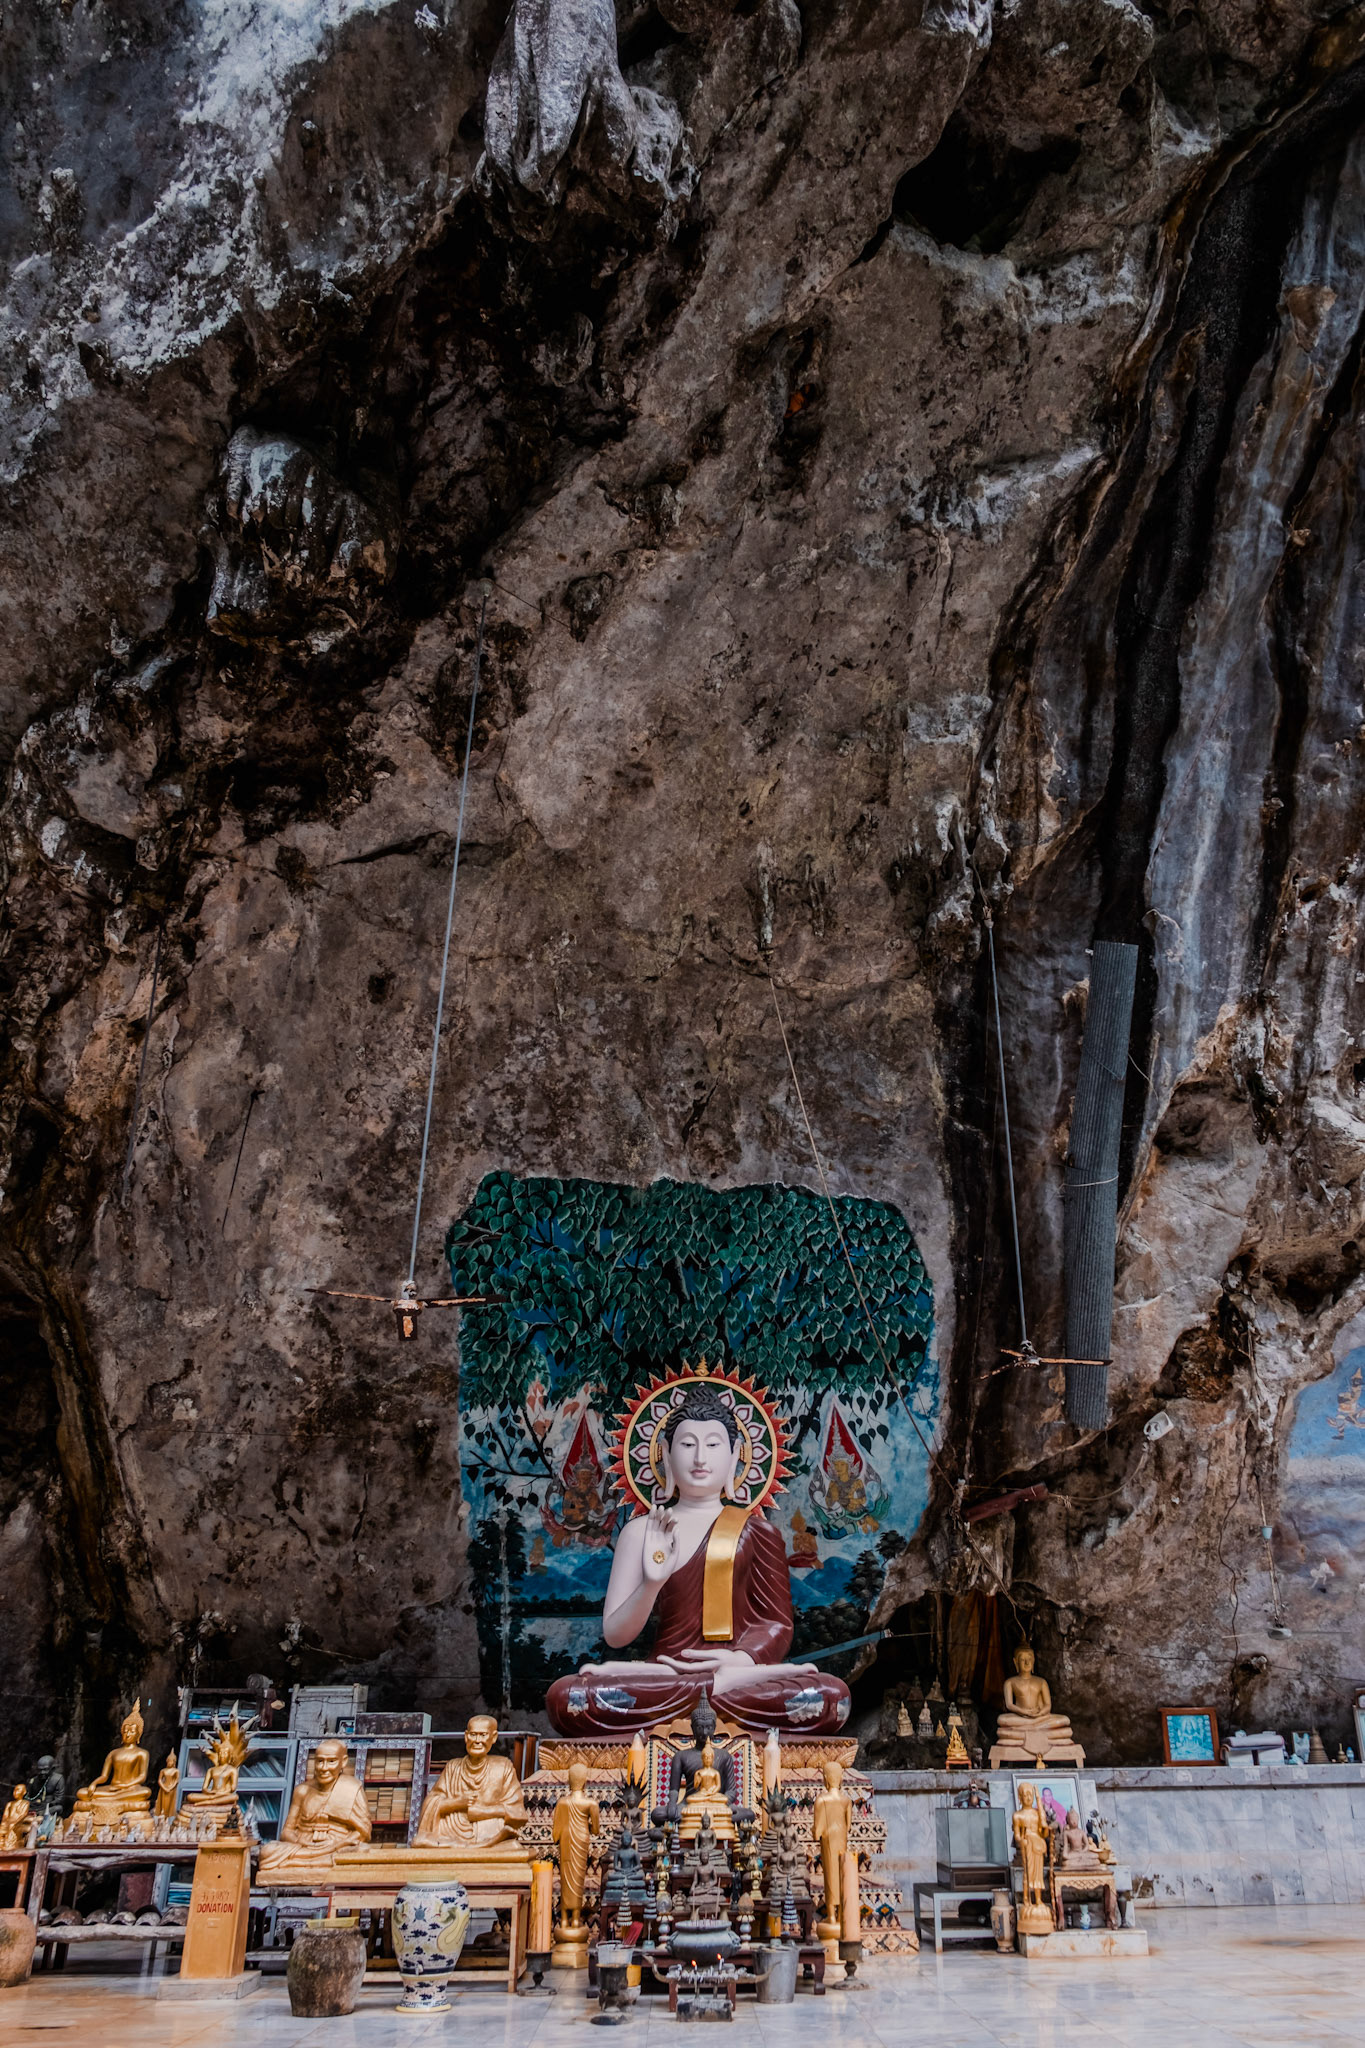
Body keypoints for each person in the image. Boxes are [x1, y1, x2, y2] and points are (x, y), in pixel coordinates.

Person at [546, 1383, 849, 1734]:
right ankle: (711, 1689)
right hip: (666, 1676)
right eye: (688, 1445)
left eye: (713, 1445)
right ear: (665, 1453)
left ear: (735, 1456)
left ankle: (718, 1686)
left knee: (828, 1695)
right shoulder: (640, 1532)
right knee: (569, 1697)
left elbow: (777, 1624)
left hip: (738, 1678)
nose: (700, 1458)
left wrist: (740, 1660)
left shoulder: (757, 1531)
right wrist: (652, 1583)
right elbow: (615, 1636)